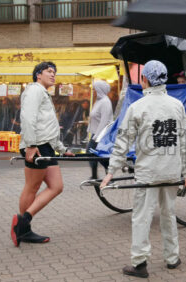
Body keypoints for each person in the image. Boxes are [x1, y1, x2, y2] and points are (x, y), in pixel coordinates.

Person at [99, 60, 186, 278]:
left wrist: (111, 171)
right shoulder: (177, 105)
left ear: (145, 80)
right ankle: (172, 258)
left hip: (148, 173)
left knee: (142, 217)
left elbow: (122, 142)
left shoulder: (137, 107)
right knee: (169, 214)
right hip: (171, 172)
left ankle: (140, 263)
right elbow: (185, 142)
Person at [10, 61, 75, 247]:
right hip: (37, 145)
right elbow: (27, 118)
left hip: (46, 145)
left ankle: (23, 223)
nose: (53, 74)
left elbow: (48, 126)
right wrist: (30, 145)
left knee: (57, 186)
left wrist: (62, 150)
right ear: (38, 75)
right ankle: (23, 229)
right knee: (32, 187)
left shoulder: (43, 93)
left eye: (55, 72)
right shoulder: (34, 91)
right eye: (49, 71)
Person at [87, 80, 114, 179]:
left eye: (94, 89)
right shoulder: (99, 101)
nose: (93, 91)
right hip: (96, 133)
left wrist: (97, 137)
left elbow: (104, 121)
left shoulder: (105, 102)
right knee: (95, 154)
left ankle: (105, 175)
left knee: (93, 154)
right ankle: (97, 175)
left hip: (101, 134)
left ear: (99, 90)